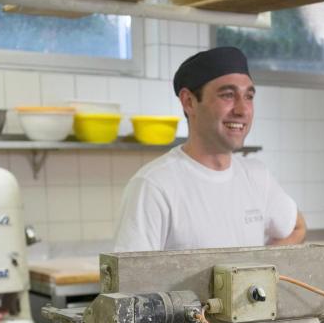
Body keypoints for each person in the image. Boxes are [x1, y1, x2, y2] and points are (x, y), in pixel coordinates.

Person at [114, 46, 306, 252]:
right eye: (228, 95)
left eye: (249, 97)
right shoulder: (154, 185)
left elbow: (297, 228)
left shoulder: (257, 176)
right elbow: (131, 271)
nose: (242, 110)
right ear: (189, 102)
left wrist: (258, 265)